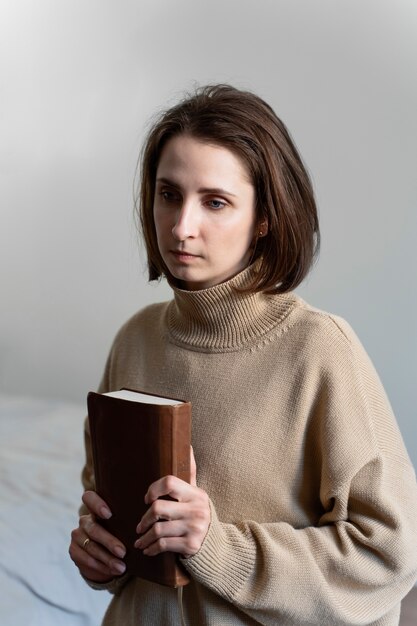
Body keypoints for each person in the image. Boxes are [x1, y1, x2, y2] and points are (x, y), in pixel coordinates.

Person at [69, 84, 417, 625]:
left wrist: (218, 547)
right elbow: (117, 521)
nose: (182, 227)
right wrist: (102, 558)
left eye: (215, 202)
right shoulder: (134, 339)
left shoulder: (320, 350)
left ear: (264, 219)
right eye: (168, 194)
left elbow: (389, 556)